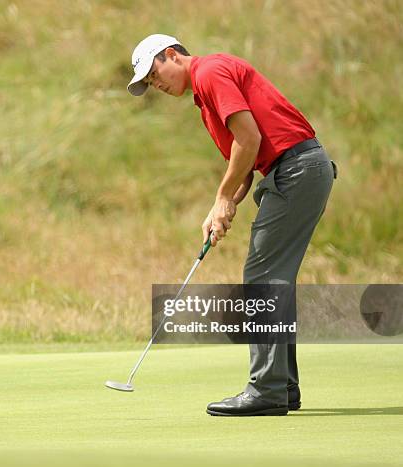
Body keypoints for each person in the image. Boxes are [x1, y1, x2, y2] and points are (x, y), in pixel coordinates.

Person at [127, 34, 336, 416]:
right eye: (148, 84)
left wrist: (223, 198)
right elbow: (242, 164)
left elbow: (249, 137)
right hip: (292, 171)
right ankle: (283, 387)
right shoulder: (203, 99)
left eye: (153, 73)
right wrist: (220, 207)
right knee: (273, 277)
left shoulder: (209, 70)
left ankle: (267, 390)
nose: (154, 84)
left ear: (171, 55)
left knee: (263, 276)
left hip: (296, 169)